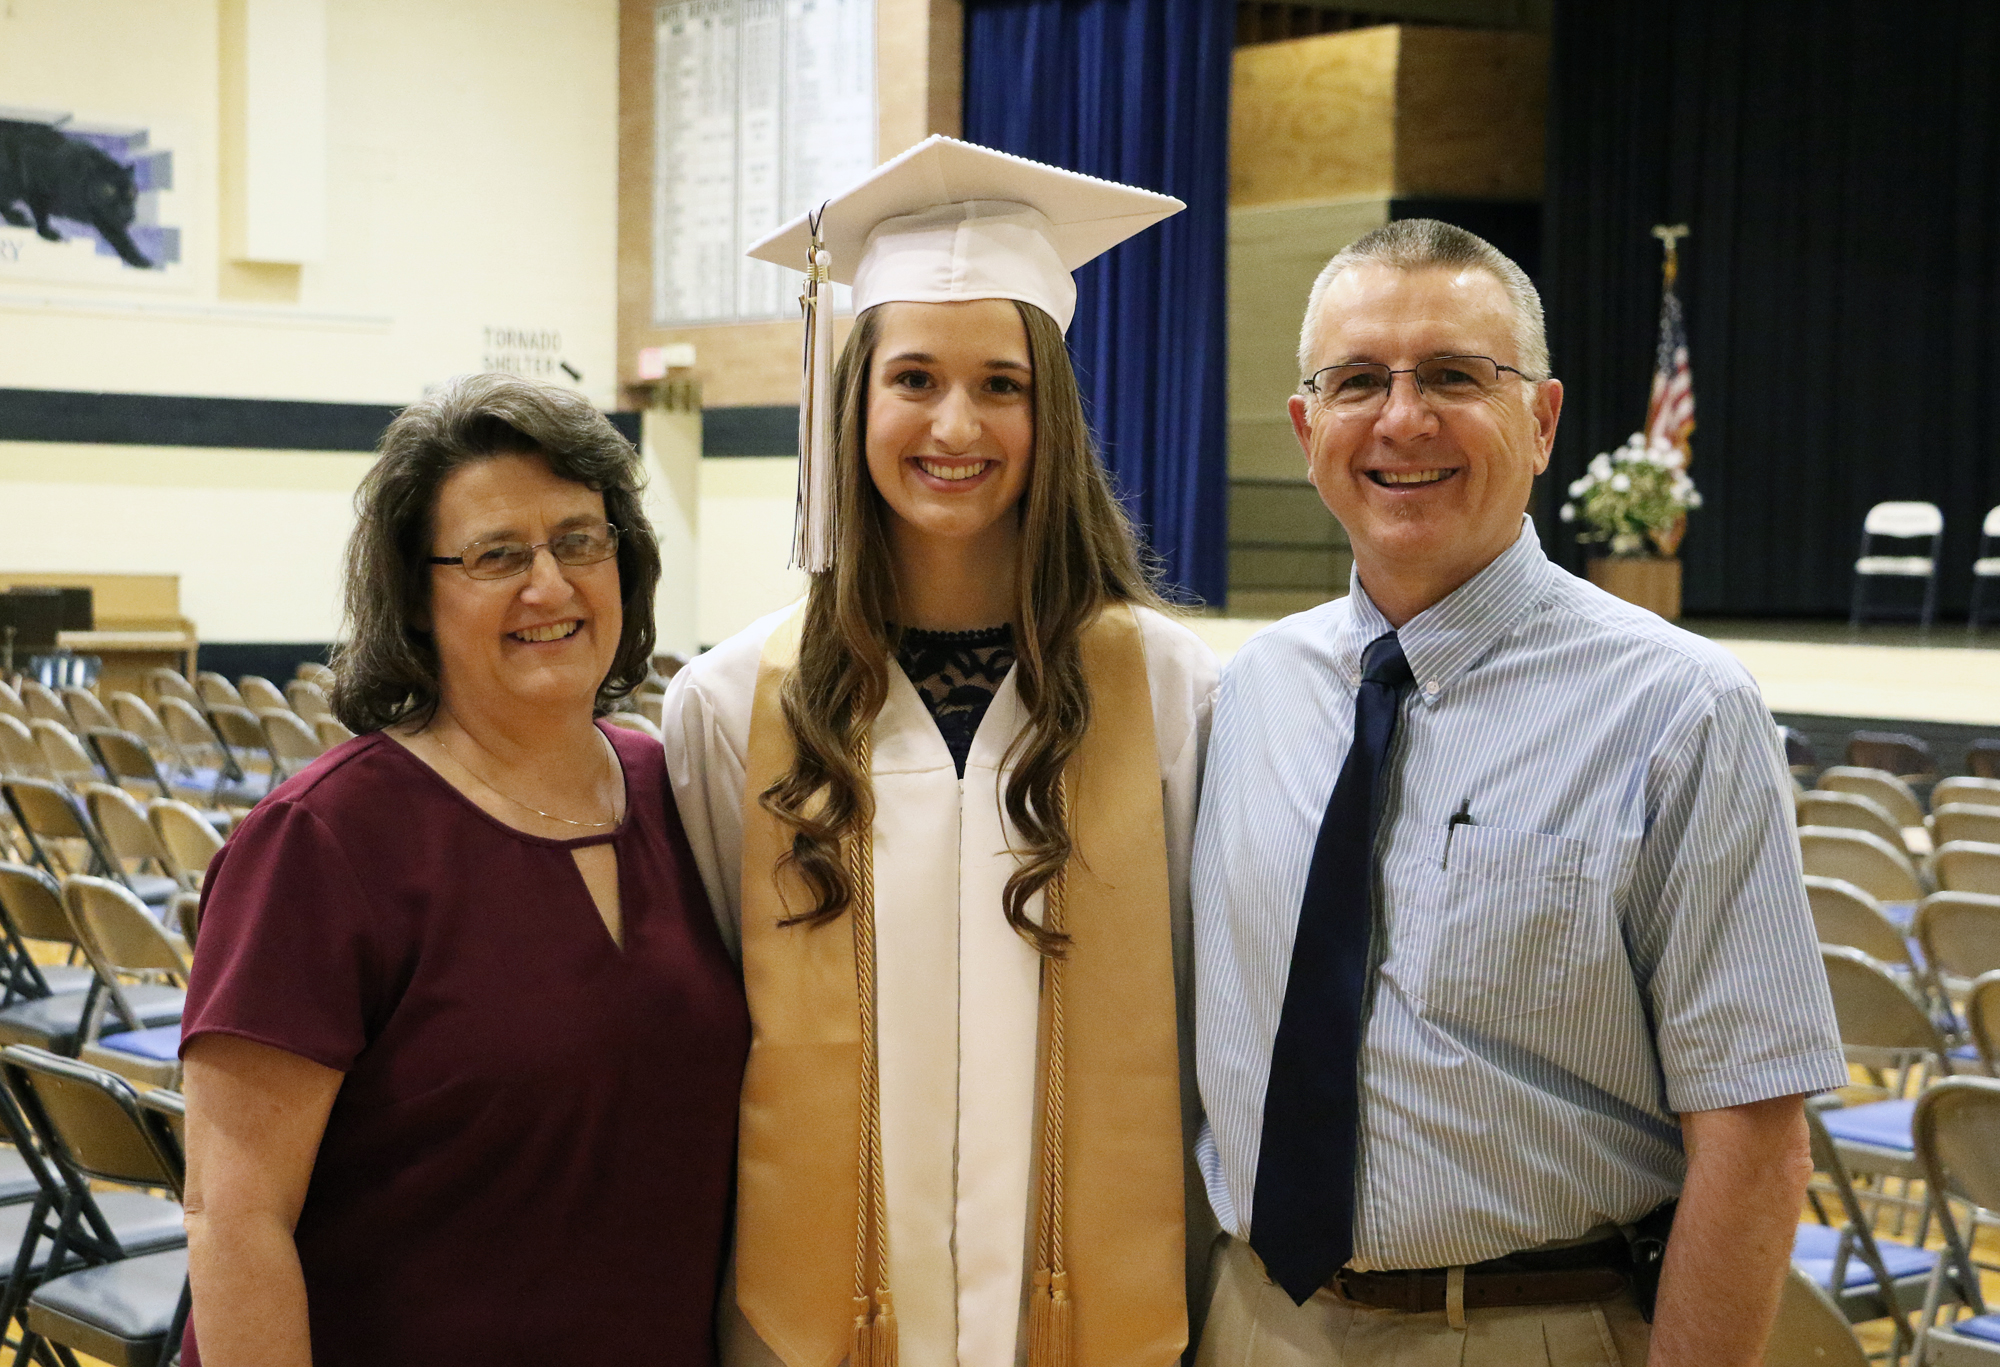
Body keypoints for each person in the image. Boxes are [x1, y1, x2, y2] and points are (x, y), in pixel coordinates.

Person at [1191, 220, 1845, 1366]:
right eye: (1357, 382)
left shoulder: (1678, 710)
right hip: (1253, 1320)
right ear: (1306, 430)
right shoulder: (1246, 695)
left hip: (1521, 1328)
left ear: (1539, 420)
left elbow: (1751, 1136)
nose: (1401, 419)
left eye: (1452, 374)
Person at [664, 136, 1219, 1367]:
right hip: (810, 1321)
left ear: (1051, 411)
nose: (954, 423)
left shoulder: (1167, 691)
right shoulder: (727, 704)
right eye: (911, 377)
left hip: (1091, 1318)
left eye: (1001, 384)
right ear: (852, 397)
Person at [179, 374, 749, 1367]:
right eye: (496, 555)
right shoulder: (324, 841)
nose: (550, 585)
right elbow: (235, 1217)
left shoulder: (686, 794)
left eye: (579, 538)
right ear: (416, 591)